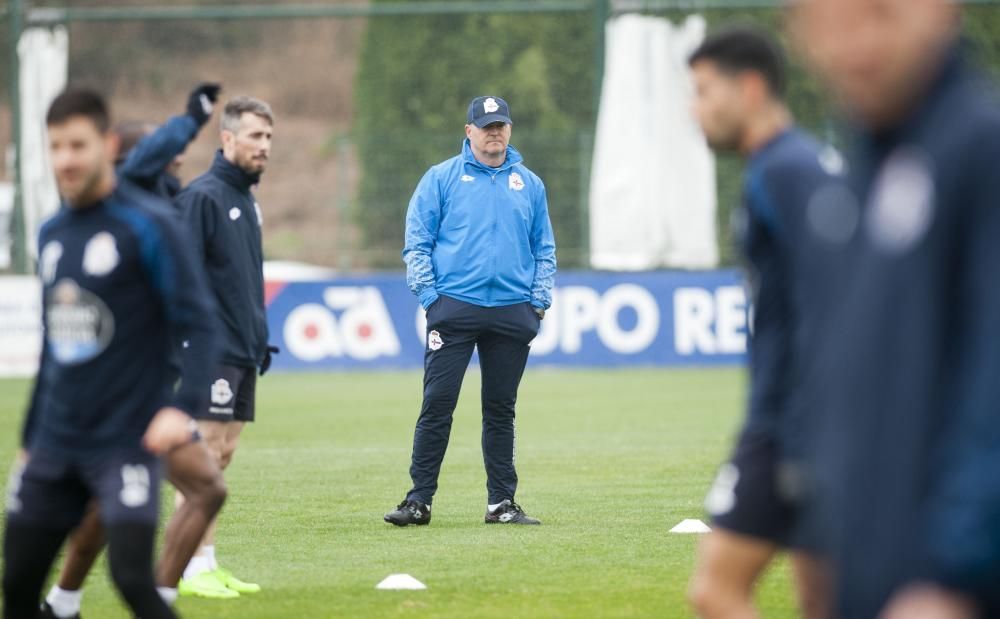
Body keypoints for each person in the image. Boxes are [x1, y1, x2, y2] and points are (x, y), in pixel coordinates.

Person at [790, 0, 1000, 616]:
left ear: (939, 10)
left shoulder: (980, 152)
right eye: (824, 23)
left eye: (877, 14)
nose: (852, 45)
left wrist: (956, 575)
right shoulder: (855, 179)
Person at [2, 88, 218, 619]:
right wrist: (30, 442)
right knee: (17, 586)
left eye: (77, 145)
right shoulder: (52, 234)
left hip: (123, 442)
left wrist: (180, 405)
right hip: (54, 444)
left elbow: (203, 324)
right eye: (55, 147)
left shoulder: (149, 224)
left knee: (131, 581)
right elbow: (56, 351)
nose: (65, 160)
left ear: (106, 144)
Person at [684, 27, 842, 619]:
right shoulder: (782, 167)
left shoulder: (788, 171)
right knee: (823, 599)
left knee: (714, 591)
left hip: (790, 425)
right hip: (810, 421)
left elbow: (840, 298)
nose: (692, 108)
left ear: (749, 89)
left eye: (703, 91)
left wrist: (806, 431)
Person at [384, 95, 557, 527]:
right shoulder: (441, 178)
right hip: (454, 309)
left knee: (501, 409)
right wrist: (430, 297)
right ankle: (418, 501)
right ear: (469, 132)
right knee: (437, 404)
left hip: (511, 311)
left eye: (501, 125)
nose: (494, 132)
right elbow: (417, 242)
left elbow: (545, 249)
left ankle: (501, 503)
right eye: (486, 126)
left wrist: (536, 304)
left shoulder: (529, 184)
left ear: (510, 130)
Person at [175, 95, 279, 596]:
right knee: (202, 456)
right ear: (227, 139)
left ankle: (208, 561)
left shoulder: (246, 201)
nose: (264, 147)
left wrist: (257, 336)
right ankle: (188, 569)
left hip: (242, 347)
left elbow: (244, 279)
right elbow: (175, 275)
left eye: (269, 138)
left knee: (223, 456)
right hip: (208, 349)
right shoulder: (203, 197)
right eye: (256, 136)